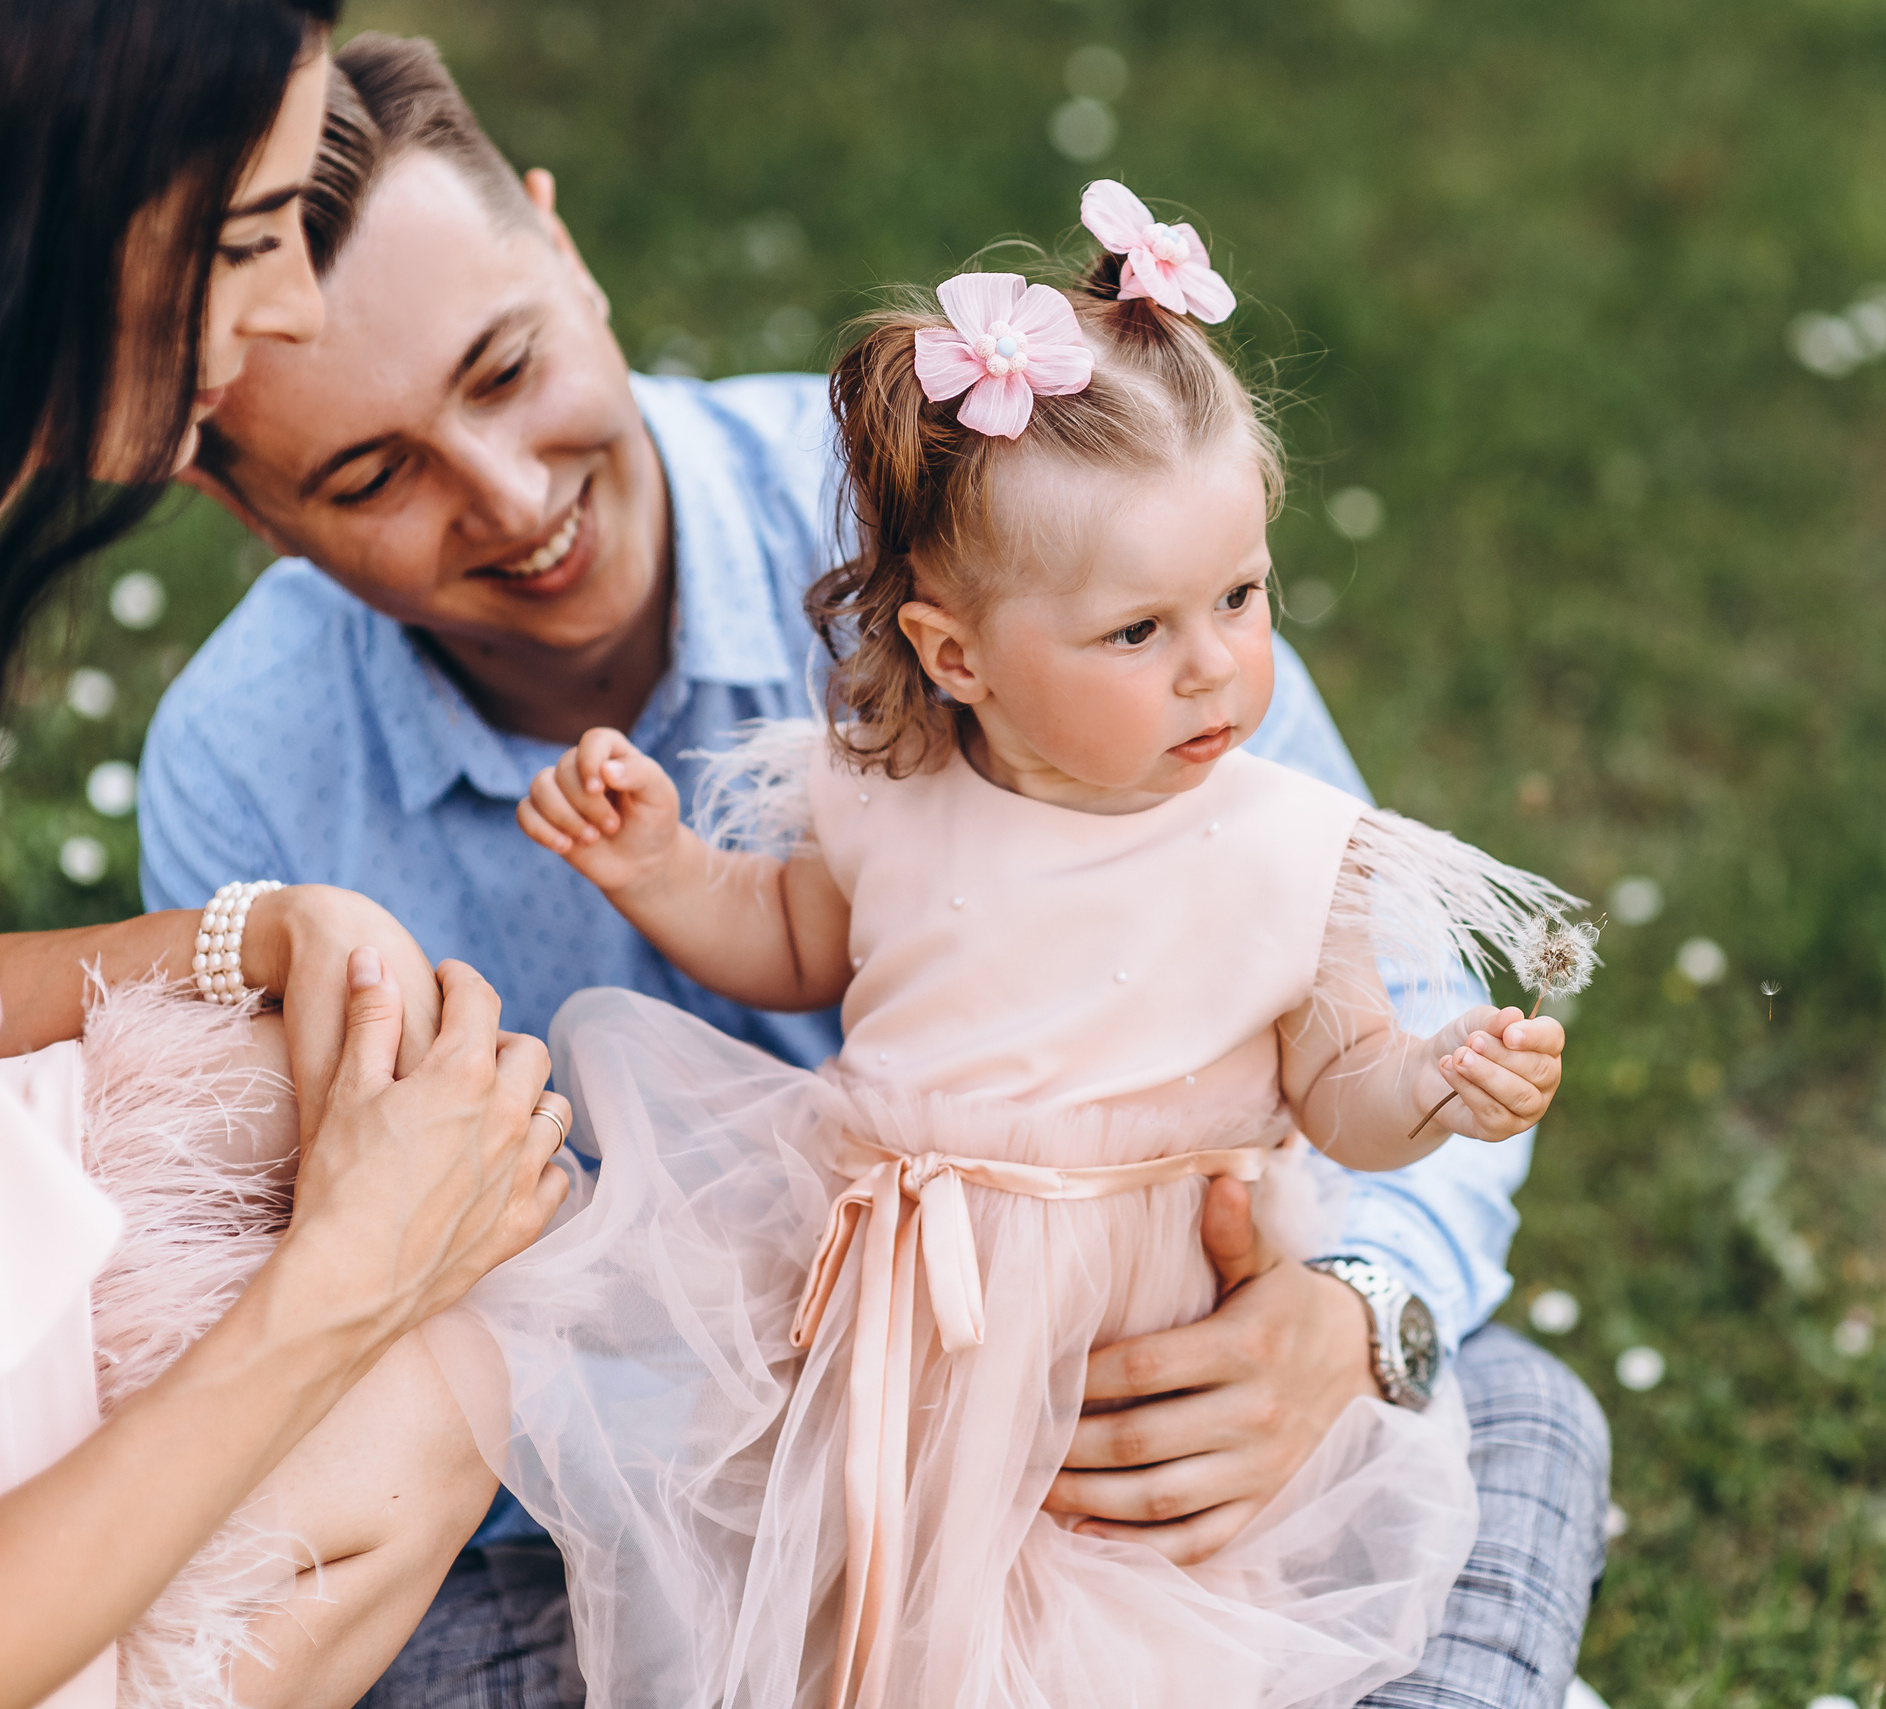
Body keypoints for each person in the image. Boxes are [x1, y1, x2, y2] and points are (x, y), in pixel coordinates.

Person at [145, 35, 1611, 1709]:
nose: (510, 497)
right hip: (629, 1499)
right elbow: (295, 1312)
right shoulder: (243, 764)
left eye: (504, 370)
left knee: (1509, 1413)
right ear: (239, 499)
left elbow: (1374, 1023)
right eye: (369, 472)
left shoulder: (1017, 500)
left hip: (1121, 1392)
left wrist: (1348, 1318)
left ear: (565, 248)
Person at [477, 200, 1578, 1708]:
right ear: (956, 655)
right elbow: (797, 939)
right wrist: (663, 867)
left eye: (1242, 599)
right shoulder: (877, 794)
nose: (1217, 663)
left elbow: (1339, 1082)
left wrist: (1438, 1084)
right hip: (903, 1337)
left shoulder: (1286, 843)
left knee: (1116, 1640)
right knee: (874, 1631)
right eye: (1137, 631)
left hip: (1133, 1350)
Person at [0, 5, 571, 1708]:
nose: (290, 311)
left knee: (328, 1140)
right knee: (425, 1324)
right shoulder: (253, 728)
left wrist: (238, 932)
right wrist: (346, 1275)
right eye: (250, 238)